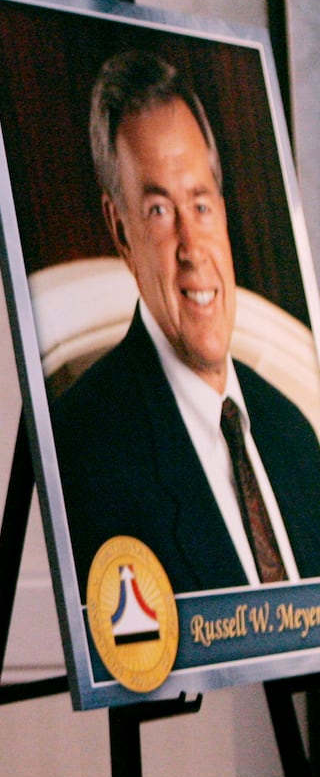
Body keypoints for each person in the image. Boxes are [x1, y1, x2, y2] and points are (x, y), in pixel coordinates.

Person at [53, 49, 320, 594]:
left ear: (223, 211)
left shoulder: (294, 434)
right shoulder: (86, 450)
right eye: (158, 211)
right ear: (121, 230)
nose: (193, 250)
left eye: (200, 205)